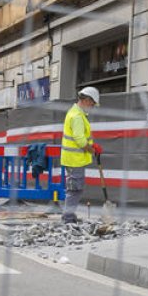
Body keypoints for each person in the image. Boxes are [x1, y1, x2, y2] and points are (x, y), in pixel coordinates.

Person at [60, 86, 102, 223]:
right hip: (74, 160)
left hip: (73, 159)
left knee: (74, 188)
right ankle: (68, 217)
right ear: (86, 100)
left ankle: (69, 215)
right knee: (75, 189)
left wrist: (92, 144)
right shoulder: (77, 116)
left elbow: (81, 137)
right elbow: (79, 139)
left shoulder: (75, 113)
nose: (93, 106)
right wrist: (91, 149)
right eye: (92, 103)